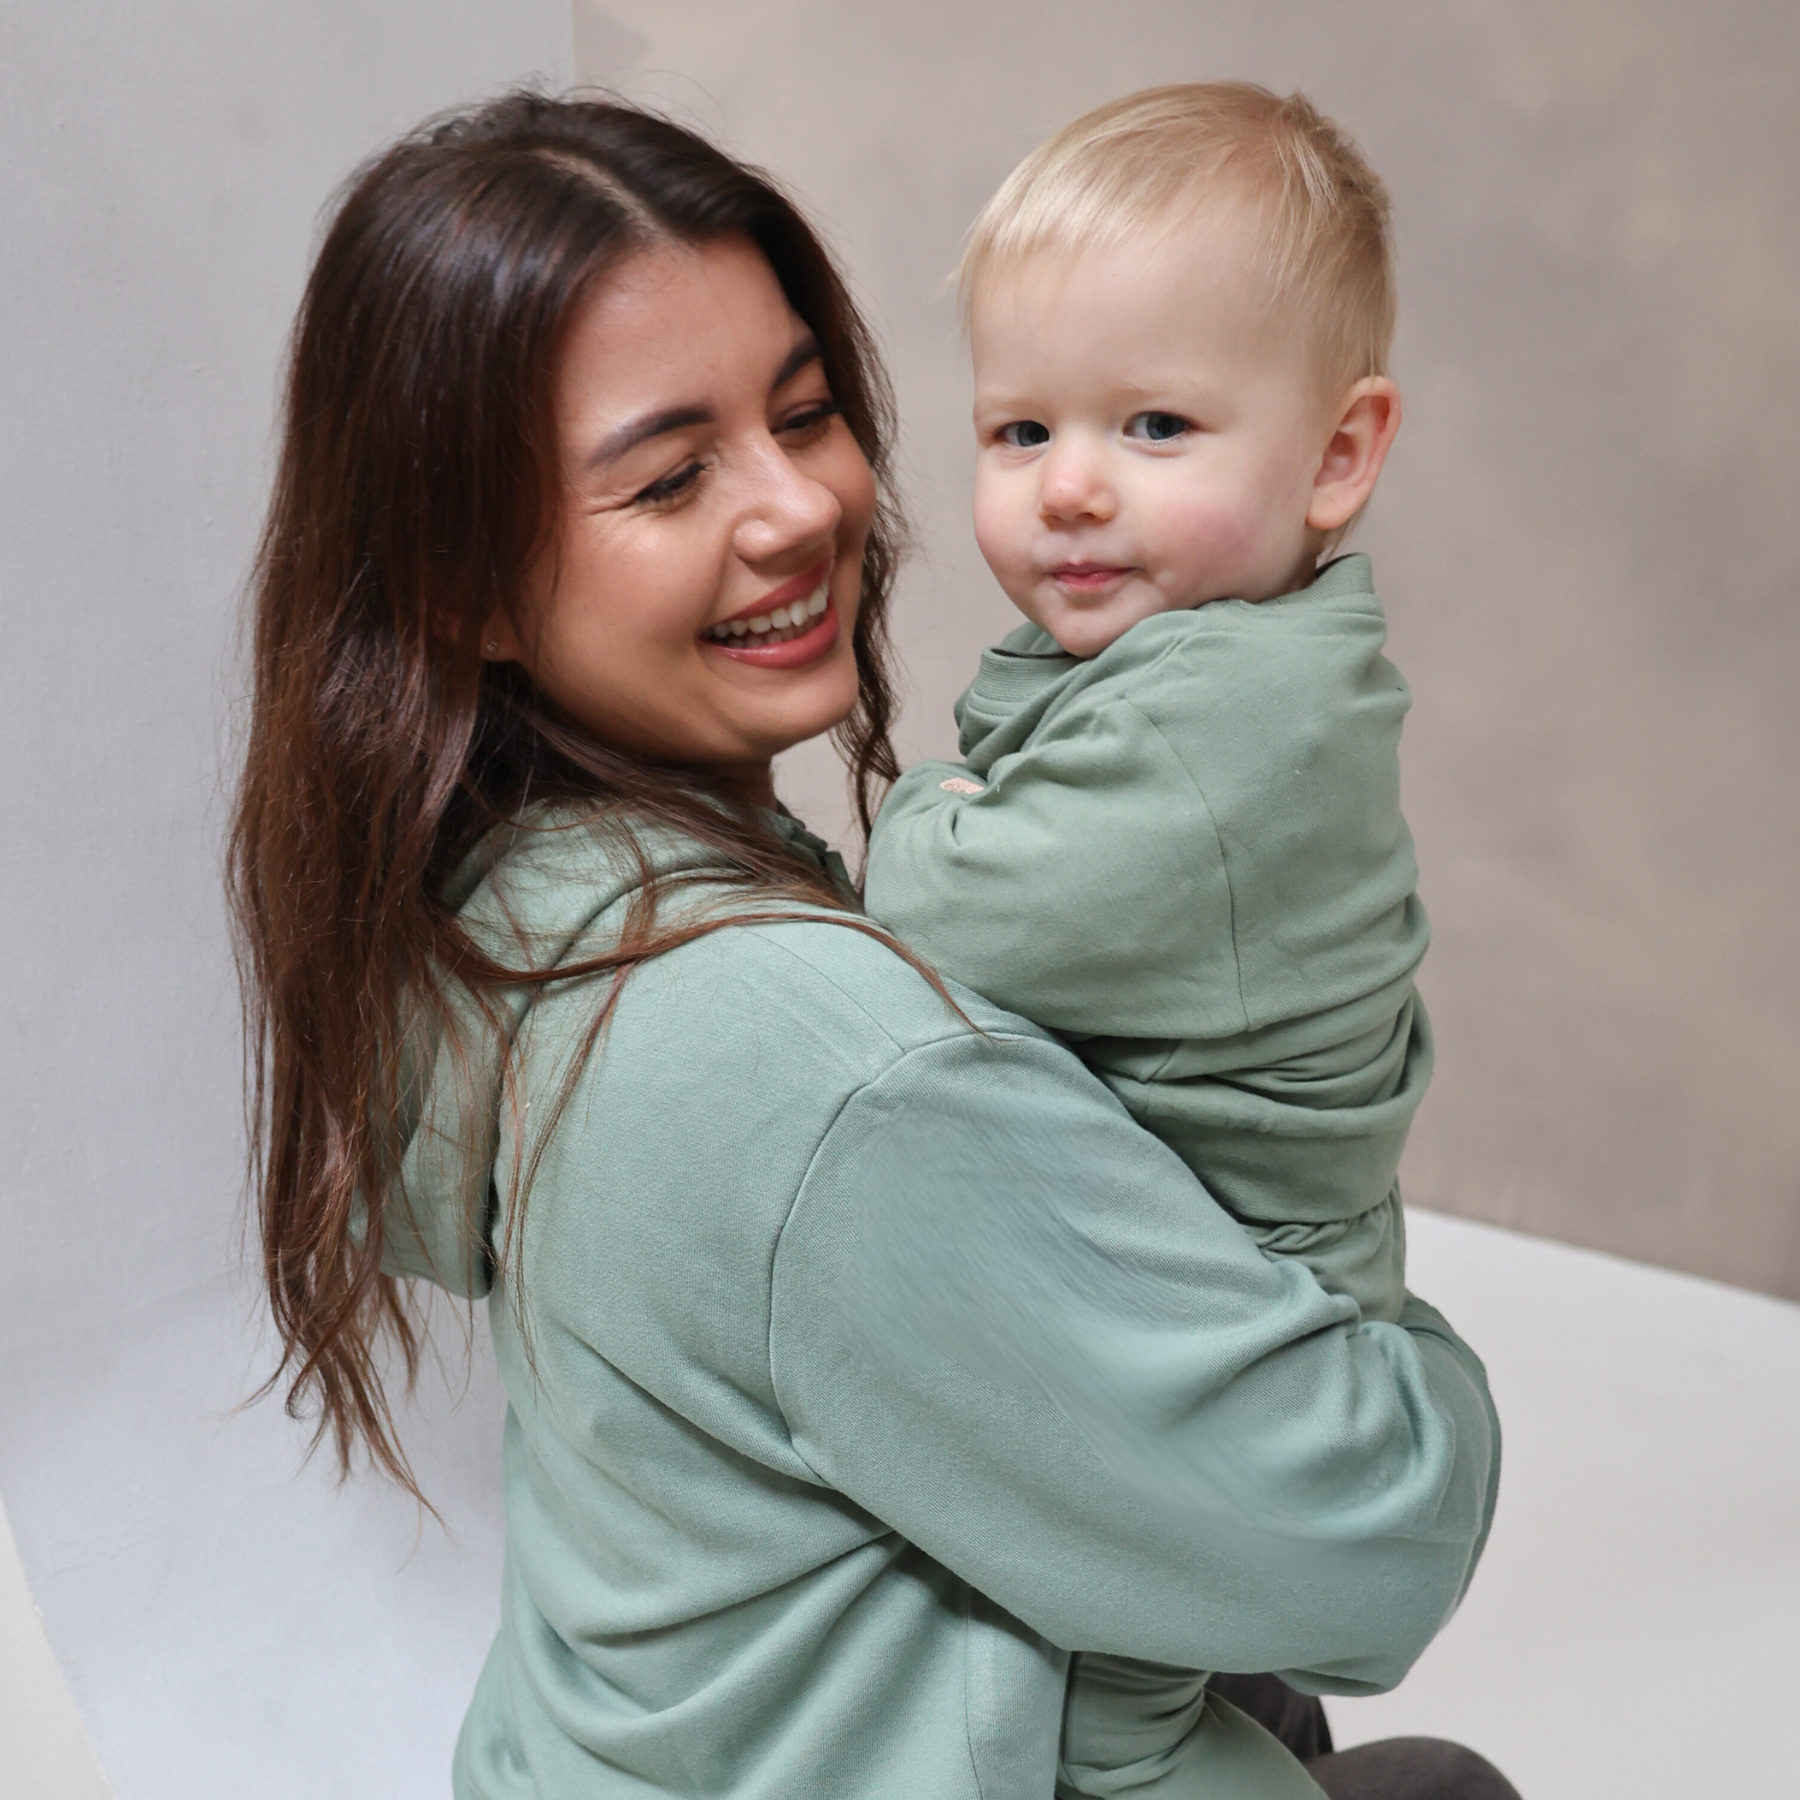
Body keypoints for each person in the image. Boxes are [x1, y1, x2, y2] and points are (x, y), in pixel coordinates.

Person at [228, 92, 1511, 1799]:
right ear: (463, 586)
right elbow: (1375, 1546)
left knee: (1302, 1727)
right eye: (672, 475)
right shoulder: (813, 1065)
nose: (800, 509)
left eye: (806, 412)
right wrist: (1399, 1347)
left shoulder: (509, 911)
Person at [864, 84, 1466, 1797]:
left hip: (1235, 1327)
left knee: (1093, 1687)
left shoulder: (1223, 735)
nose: (1069, 488)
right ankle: (1265, 1718)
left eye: (1153, 426)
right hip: (1229, 1261)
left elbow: (932, 906)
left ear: (1338, 455)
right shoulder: (1252, 656)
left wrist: (916, 805)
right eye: (1019, 430)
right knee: (1165, 1634)